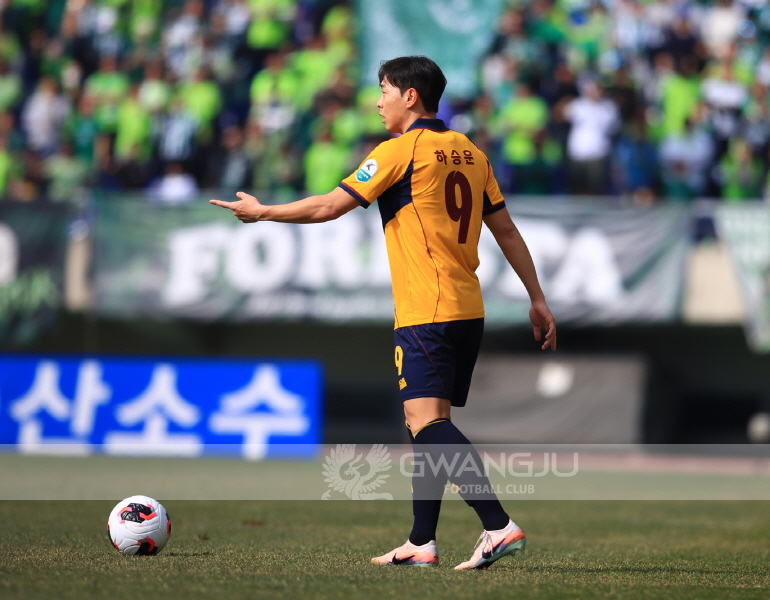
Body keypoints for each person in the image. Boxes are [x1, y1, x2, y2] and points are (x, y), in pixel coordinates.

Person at [210, 55, 557, 570]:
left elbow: (330, 206)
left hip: (426, 309)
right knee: (427, 424)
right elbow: (505, 230)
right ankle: (421, 541)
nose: (377, 102)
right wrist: (537, 297)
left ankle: (498, 525)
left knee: (426, 424)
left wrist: (263, 212)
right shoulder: (472, 152)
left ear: (410, 96)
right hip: (467, 307)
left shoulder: (399, 151)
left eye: (384, 91)